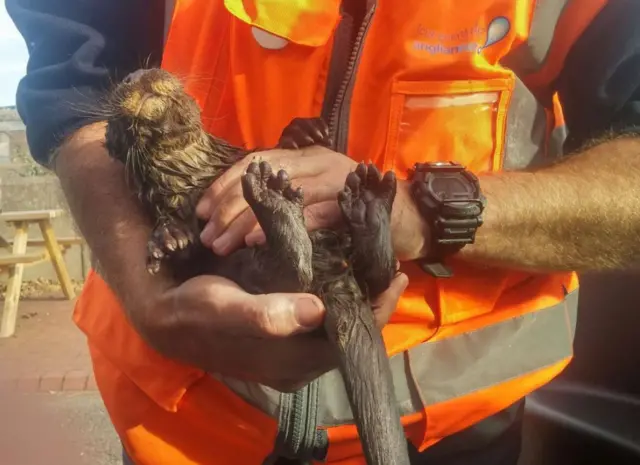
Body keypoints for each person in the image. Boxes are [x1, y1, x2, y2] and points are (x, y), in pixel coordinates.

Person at [7, 0, 640, 464]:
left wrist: (420, 215)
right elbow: (77, 79)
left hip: (454, 426)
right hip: (184, 424)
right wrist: (146, 290)